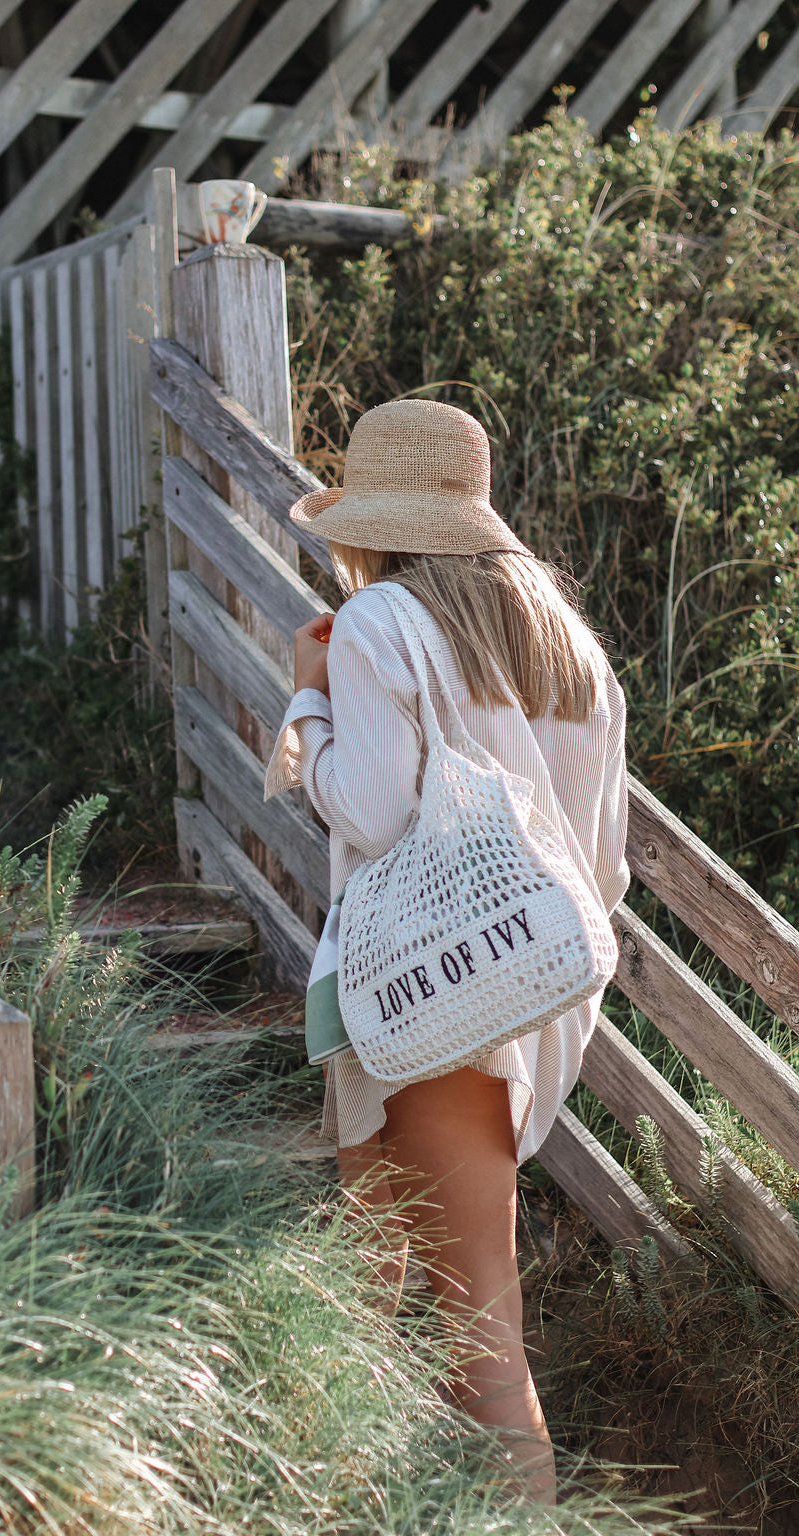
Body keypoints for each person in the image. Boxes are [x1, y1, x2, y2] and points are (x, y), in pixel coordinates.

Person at [263, 398, 629, 1505]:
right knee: (395, 1313)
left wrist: (308, 704)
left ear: (373, 521)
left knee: (471, 1338)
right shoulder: (569, 646)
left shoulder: (378, 622)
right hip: (515, 994)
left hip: (411, 995)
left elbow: (368, 813)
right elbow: (599, 865)